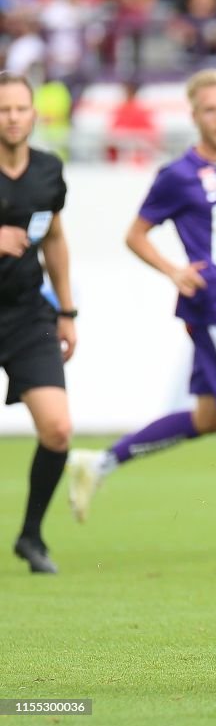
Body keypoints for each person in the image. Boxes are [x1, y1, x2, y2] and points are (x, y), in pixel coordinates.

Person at [67, 69, 216, 556]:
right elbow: (135, 234)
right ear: (195, 115)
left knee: (209, 417)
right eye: (212, 110)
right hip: (215, 305)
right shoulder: (179, 174)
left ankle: (99, 463)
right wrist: (174, 270)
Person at [0, 72, 77, 574]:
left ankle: (31, 536)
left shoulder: (49, 169)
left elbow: (53, 238)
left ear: (34, 113)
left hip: (28, 314)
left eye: (20, 108)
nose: (12, 117)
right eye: (3, 109)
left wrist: (67, 311)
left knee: (58, 429)